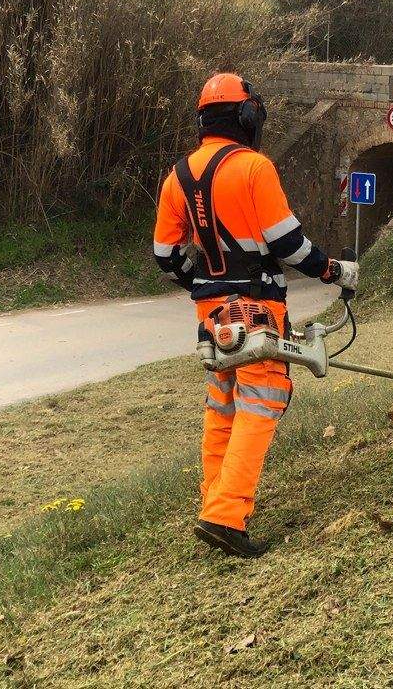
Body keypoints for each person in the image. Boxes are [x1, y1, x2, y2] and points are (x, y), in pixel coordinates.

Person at [153, 72, 358, 558]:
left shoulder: (178, 176)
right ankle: (225, 516)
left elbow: (165, 254)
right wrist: (332, 270)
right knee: (262, 401)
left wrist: (204, 283)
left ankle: (213, 503)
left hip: (211, 311)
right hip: (258, 307)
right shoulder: (254, 168)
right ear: (248, 117)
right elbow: (288, 244)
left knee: (223, 404)